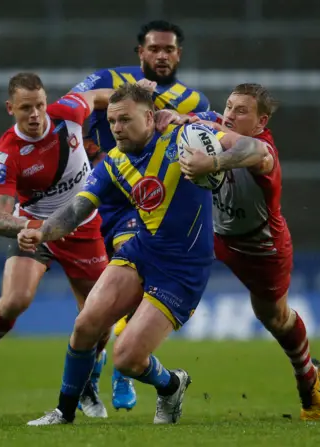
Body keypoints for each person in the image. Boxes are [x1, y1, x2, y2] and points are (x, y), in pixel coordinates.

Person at [17, 84, 272, 426]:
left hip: (183, 268)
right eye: (111, 121)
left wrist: (213, 162)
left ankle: (171, 385)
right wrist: (42, 231)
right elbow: (76, 210)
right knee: (85, 326)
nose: (117, 128)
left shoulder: (186, 135)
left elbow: (256, 149)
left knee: (126, 359)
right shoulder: (114, 163)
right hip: (142, 250)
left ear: (150, 117)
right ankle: (63, 412)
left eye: (125, 119)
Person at [0, 72, 116, 418]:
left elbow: (97, 96)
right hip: (36, 229)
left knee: (99, 316)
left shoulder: (67, 112)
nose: (35, 114)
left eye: (39, 105)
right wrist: (27, 226)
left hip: (82, 228)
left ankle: (86, 385)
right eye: (25, 109)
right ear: (10, 109)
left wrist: (127, 100)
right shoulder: (5, 155)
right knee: (15, 300)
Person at [71, 19, 211, 411]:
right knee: (92, 304)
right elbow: (69, 109)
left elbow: (212, 128)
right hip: (104, 193)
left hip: (145, 204)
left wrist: (185, 120)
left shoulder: (192, 100)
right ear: (141, 53)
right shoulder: (110, 79)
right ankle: (93, 375)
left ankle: (119, 374)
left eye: (169, 50)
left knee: (128, 285)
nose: (162, 56)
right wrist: (111, 105)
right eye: (154, 49)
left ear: (178, 54)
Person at [175, 83, 320, 421]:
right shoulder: (212, 125)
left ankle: (307, 377)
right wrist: (166, 117)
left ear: (262, 121)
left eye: (241, 110)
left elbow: (256, 153)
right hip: (216, 236)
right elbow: (186, 120)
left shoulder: (263, 149)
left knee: (274, 318)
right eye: (228, 107)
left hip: (261, 247)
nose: (230, 114)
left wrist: (211, 162)